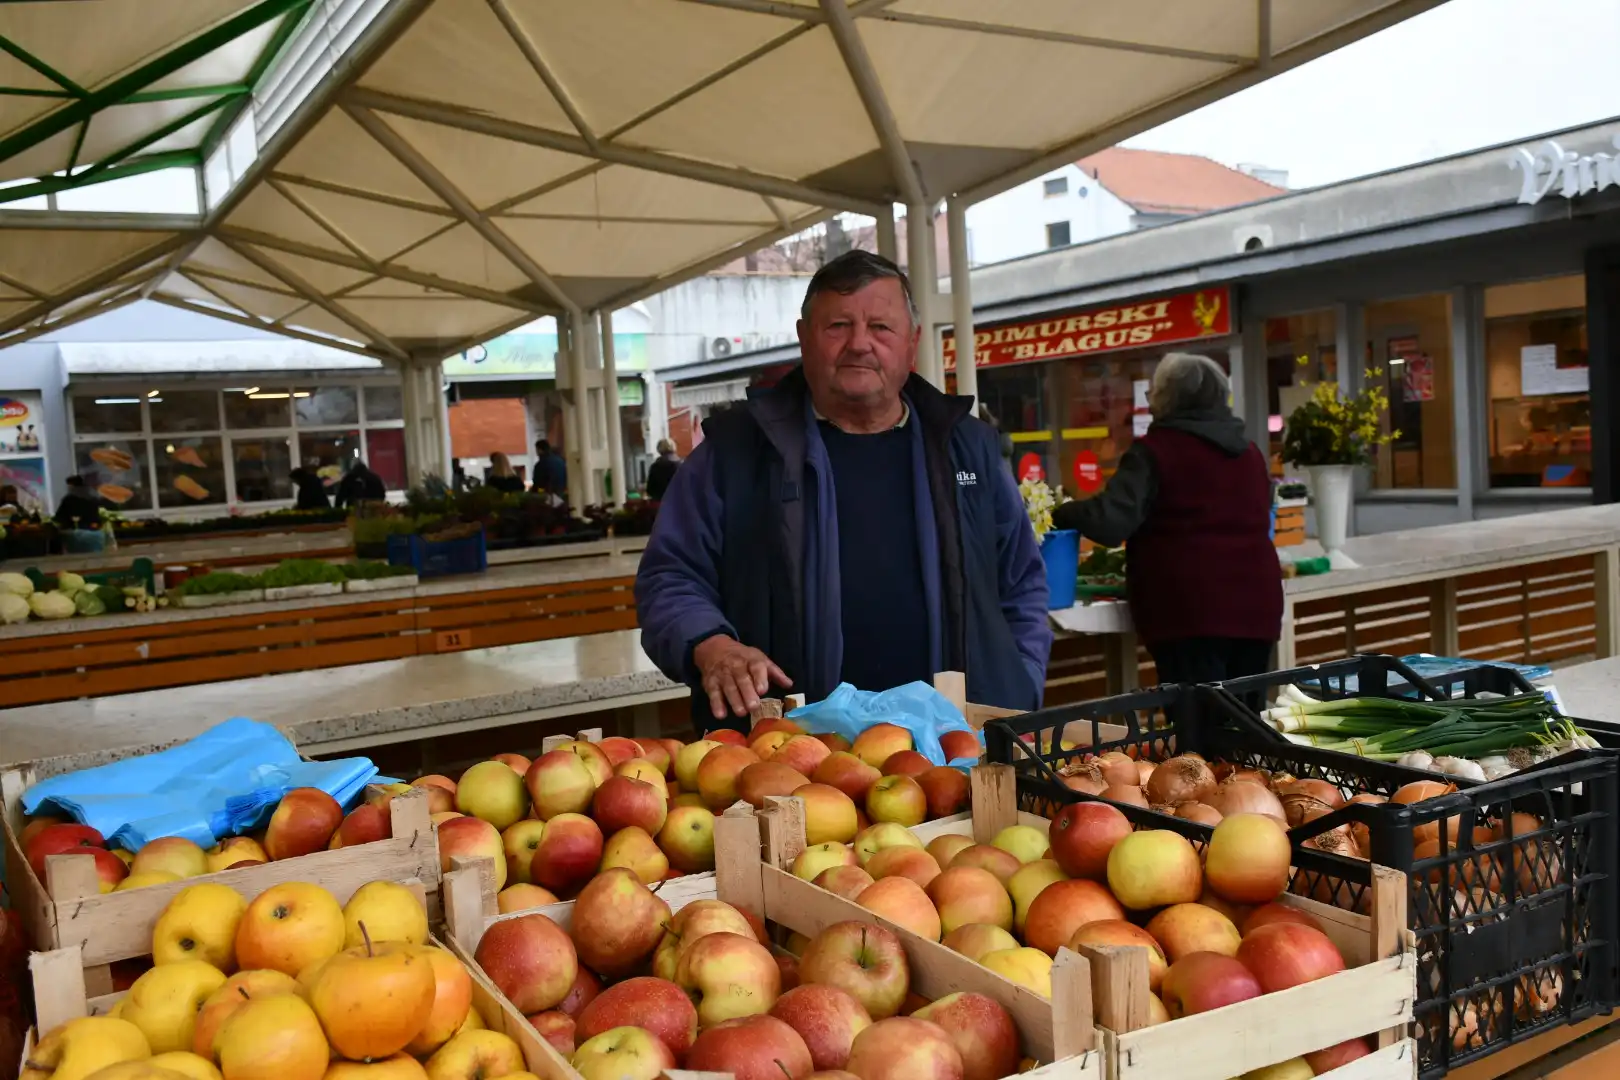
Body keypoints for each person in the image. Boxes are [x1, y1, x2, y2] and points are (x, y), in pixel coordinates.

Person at [635, 250, 1051, 731]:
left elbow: (1022, 581)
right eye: (837, 326)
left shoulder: (967, 446)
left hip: (957, 747)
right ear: (803, 337)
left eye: (880, 327)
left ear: (911, 342)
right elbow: (669, 575)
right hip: (790, 757)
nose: (859, 344)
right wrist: (710, 644)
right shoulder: (735, 451)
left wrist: (1020, 679)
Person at [1051, 352, 1282, 685]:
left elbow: (1110, 522)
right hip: (1258, 608)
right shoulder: (1249, 453)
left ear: (1170, 397)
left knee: (1200, 726)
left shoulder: (1155, 451)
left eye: (1154, 393)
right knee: (1243, 721)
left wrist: (1059, 511)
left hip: (1191, 613)